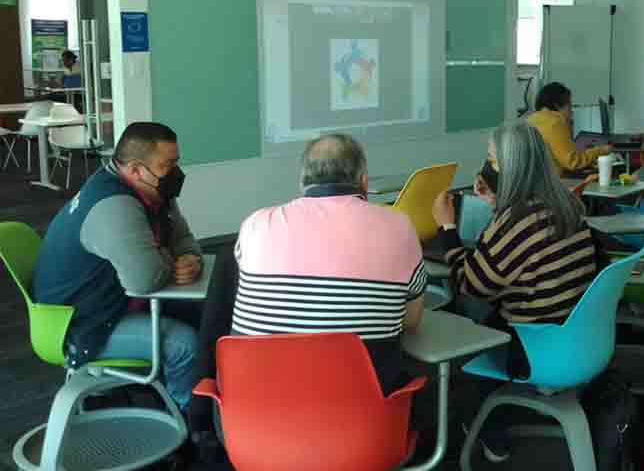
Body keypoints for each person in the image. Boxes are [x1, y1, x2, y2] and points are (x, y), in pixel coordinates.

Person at [432, 123, 608, 461]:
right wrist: (497, 206)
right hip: (578, 340)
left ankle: (487, 425)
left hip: (535, 349)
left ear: (513, 169)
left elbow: (472, 285)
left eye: (492, 161)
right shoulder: (566, 207)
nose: (486, 168)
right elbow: (519, 257)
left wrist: (447, 229)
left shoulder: (518, 221)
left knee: (459, 311)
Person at [231, 134, 427, 395]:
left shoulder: (255, 225)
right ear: (364, 183)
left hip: (252, 416)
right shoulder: (398, 226)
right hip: (361, 421)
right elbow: (411, 320)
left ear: (302, 183)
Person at [32, 122, 202, 414]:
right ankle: (188, 416)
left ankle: (184, 387)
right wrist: (165, 256)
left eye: (176, 162)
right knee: (185, 344)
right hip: (79, 325)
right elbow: (144, 281)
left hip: (110, 302)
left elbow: (184, 239)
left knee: (207, 312)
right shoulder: (113, 205)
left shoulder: (153, 191)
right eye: (168, 165)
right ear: (136, 170)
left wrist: (190, 258)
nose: (175, 172)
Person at [528, 81, 611, 175]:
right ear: (557, 105)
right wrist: (601, 151)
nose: (571, 110)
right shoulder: (555, 123)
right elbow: (573, 162)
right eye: (569, 104)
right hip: (552, 184)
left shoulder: (531, 119)